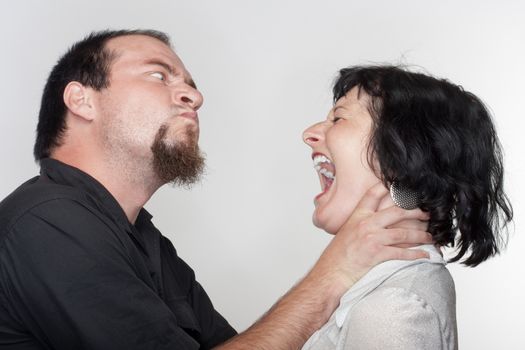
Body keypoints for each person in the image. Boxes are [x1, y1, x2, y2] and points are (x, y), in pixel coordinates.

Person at [0, 31, 433, 350]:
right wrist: (335, 272)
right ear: (81, 100)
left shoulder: (146, 244)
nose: (194, 95)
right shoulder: (46, 221)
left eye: (189, 83)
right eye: (159, 75)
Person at [301, 65, 513, 350]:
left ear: (403, 156)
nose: (309, 133)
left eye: (338, 118)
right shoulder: (382, 288)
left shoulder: (393, 308)